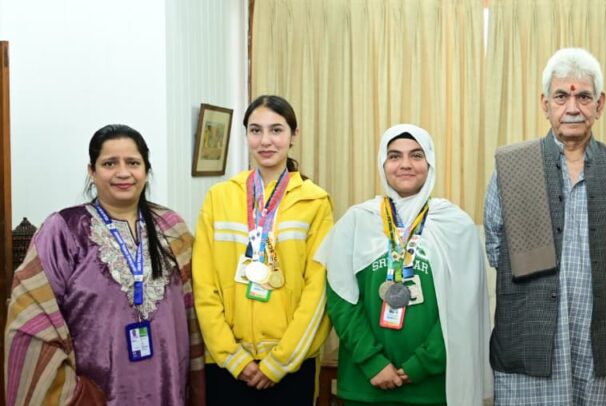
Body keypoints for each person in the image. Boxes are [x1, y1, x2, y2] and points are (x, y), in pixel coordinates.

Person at [484, 47, 606, 405]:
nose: (573, 108)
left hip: (599, 348)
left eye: (583, 97)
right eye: (561, 97)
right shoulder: (514, 167)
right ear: (545, 104)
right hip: (529, 343)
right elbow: (495, 247)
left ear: (599, 105)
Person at [4, 124, 204, 405]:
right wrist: (73, 394)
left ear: (146, 170)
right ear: (92, 171)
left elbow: (197, 313)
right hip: (98, 394)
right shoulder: (63, 231)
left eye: (133, 163)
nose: (123, 173)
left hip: (168, 387)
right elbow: (30, 321)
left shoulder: (172, 228)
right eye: (110, 163)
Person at [316, 124, 489, 405]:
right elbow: (341, 300)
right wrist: (372, 361)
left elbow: (465, 307)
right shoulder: (357, 221)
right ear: (382, 164)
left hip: (433, 388)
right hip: (365, 385)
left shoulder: (457, 225)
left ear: (430, 163)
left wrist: (423, 363)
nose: (405, 164)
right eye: (394, 156)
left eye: (416, 155)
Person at [193, 95, 334, 404]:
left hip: (291, 365)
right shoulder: (219, 198)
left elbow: (319, 288)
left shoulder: (314, 201)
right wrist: (232, 357)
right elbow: (203, 285)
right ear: (246, 135)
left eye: (276, 130)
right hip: (228, 365)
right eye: (256, 130)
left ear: (294, 135)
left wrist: (279, 362)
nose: (265, 140)